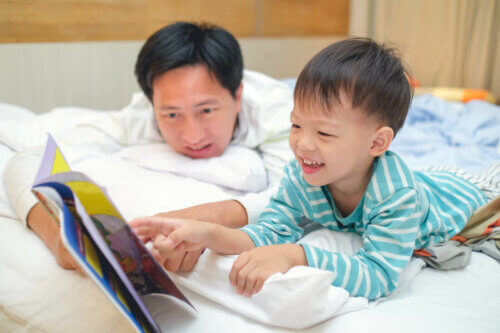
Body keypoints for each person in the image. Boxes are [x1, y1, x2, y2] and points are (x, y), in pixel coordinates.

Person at [130, 38, 499, 301]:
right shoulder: (301, 176)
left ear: (377, 143)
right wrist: (208, 234)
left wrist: (296, 254)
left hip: (468, 194)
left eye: (323, 132)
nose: (303, 144)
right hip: (429, 180)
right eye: (295, 125)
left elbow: (379, 276)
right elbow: (268, 232)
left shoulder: (395, 196)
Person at [3, 22, 293, 272]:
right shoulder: (139, 117)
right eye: (171, 115)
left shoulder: (279, 113)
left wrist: (198, 219)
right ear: (151, 103)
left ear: (238, 95)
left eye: (206, 111)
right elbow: (30, 158)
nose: (192, 136)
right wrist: (58, 239)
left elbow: (296, 200)